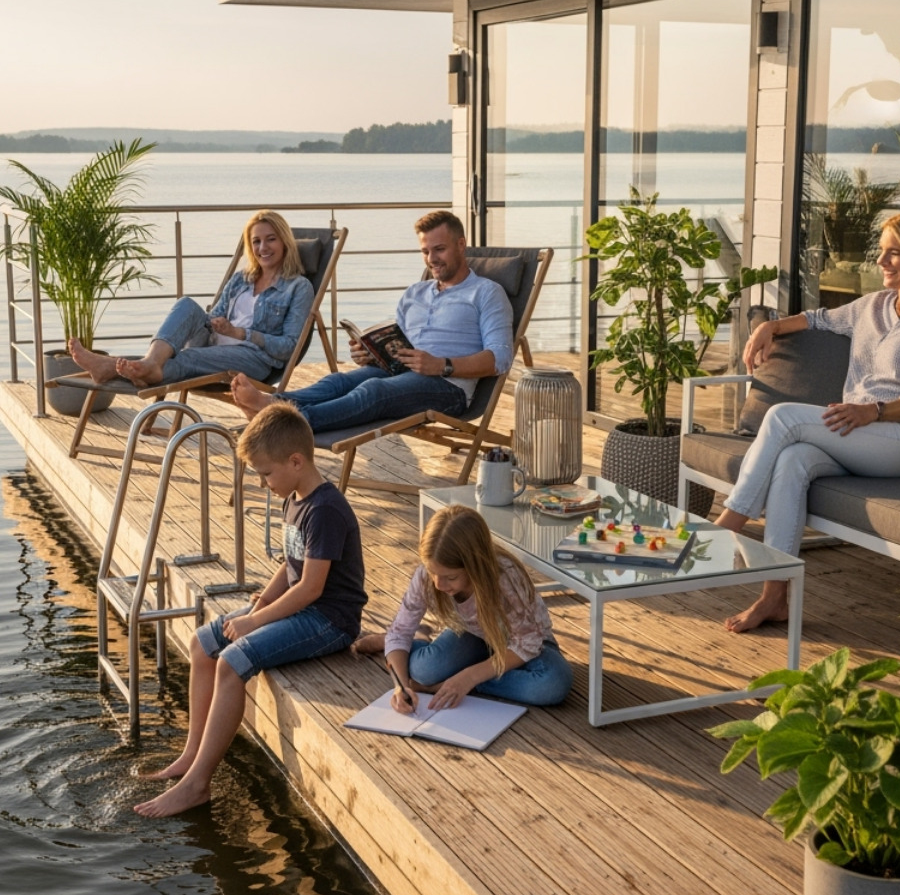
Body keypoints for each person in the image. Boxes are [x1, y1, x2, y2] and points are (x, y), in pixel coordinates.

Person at [714, 208, 900, 633]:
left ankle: (730, 522)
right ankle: (775, 597)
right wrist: (770, 328)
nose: (881, 261)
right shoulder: (872, 306)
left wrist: (871, 411)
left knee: (784, 418)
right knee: (793, 461)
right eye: (881, 252)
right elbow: (818, 319)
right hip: (855, 434)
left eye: (894, 253)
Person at [134, 402, 366, 817]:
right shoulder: (294, 495)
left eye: (265, 473)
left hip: (330, 620)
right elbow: (290, 564)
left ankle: (198, 785)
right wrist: (260, 601)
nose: (263, 484)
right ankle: (190, 756)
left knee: (232, 661)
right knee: (202, 644)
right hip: (299, 607)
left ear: (296, 461)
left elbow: (312, 589)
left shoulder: (325, 510)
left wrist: (255, 620)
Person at [231, 209, 513, 433]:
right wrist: (370, 354)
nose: (431, 259)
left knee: (374, 391)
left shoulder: (486, 293)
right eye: (425, 251)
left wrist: (442, 365)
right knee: (338, 382)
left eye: (439, 249)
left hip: (447, 387)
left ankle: (287, 424)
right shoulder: (416, 292)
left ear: (461, 245)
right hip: (399, 373)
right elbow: (398, 344)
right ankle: (273, 404)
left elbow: (500, 358)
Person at [355, 504, 572, 710]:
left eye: (451, 577)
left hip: (524, 646)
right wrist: (400, 686)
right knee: (423, 670)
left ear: (475, 565)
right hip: (474, 637)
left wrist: (468, 678)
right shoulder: (427, 577)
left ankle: (447, 684)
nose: (439, 584)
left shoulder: (505, 577)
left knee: (552, 684)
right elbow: (401, 630)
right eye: (433, 573)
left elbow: (528, 643)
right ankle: (399, 645)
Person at [70, 209, 314, 388]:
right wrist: (216, 323)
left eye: (271, 239)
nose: (263, 248)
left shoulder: (298, 287)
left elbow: (289, 346)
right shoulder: (242, 278)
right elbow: (213, 316)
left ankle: (115, 367)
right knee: (186, 304)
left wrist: (241, 333)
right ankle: (150, 364)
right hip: (214, 343)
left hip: (253, 358)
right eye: (256, 241)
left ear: (284, 241)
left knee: (186, 357)